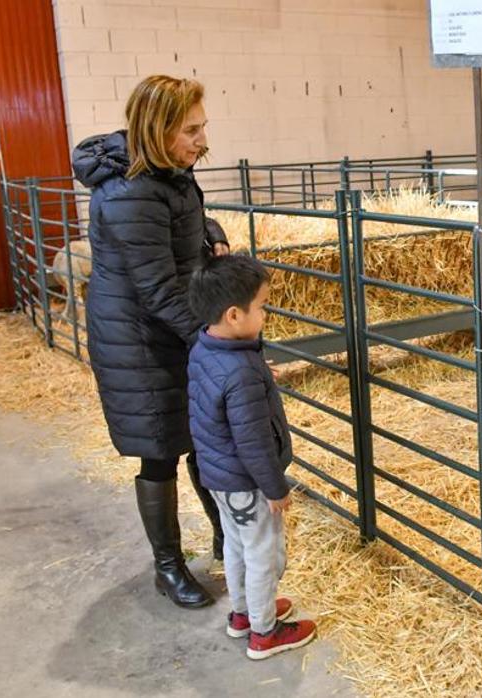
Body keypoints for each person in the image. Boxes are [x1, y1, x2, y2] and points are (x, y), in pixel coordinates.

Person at [72, 75, 230, 609]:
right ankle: (169, 567)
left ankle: (226, 539)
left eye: (203, 126)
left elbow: (174, 219)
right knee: (161, 449)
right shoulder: (131, 189)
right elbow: (158, 286)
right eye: (191, 129)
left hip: (170, 324)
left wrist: (209, 230)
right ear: (156, 129)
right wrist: (213, 339)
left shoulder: (163, 173)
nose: (203, 140)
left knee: (201, 435)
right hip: (140, 340)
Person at [187, 254, 316, 659]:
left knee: (239, 547)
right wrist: (274, 487)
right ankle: (265, 632)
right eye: (261, 307)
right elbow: (254, 440)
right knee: (264, 554)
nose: (265, 313)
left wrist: (257, 371)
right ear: (234, 315)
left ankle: (243, 614)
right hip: (249, 481)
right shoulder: (241, 372)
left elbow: (222, 397)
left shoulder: (208, 348)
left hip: (220, 478)